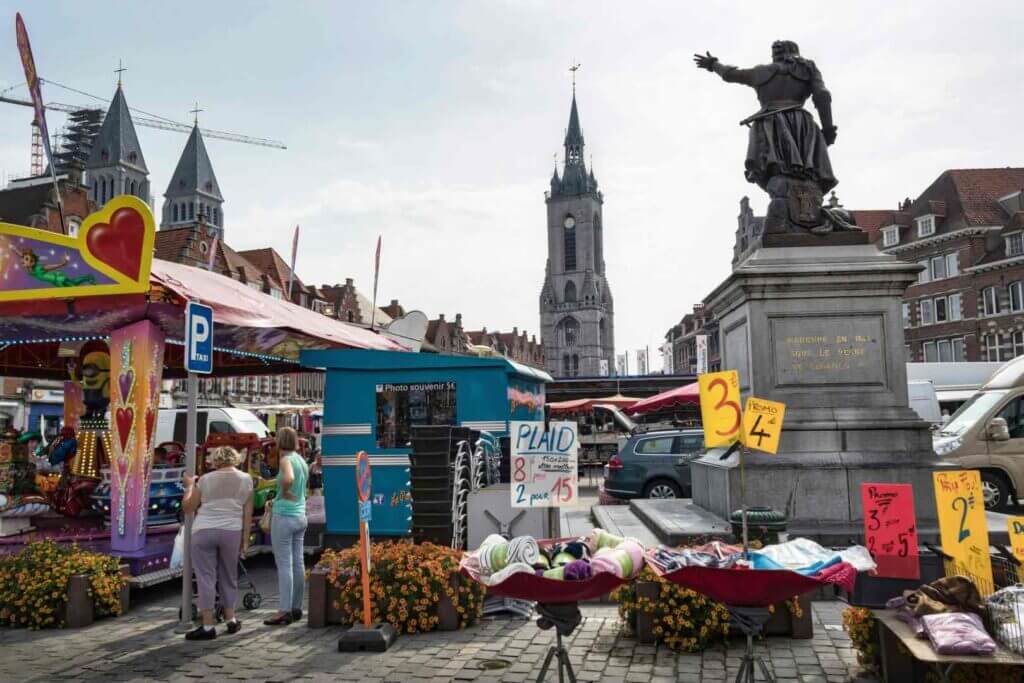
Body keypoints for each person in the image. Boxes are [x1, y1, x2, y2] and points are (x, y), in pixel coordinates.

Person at [181, 446, 254, 640]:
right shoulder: (246, 479)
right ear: (235, 459)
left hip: (204, 529)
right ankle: (231, 619)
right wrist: (245, 541)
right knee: (229, 576)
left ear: (215, 460)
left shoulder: (205, 480)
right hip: (231, 531)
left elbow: (188, 507)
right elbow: (247, 514)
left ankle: (207, 625)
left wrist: (189, 486)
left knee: (206, 578)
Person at [264, 427, 309, 626]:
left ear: (279, 442)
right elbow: (299, 482)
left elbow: (289, 479)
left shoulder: (285, 460)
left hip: (284, 515)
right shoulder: (301, 461)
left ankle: (284, 610)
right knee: (298, 563)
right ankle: (297, 606)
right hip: (300, 515)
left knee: (284, 565)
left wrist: (282, 493)